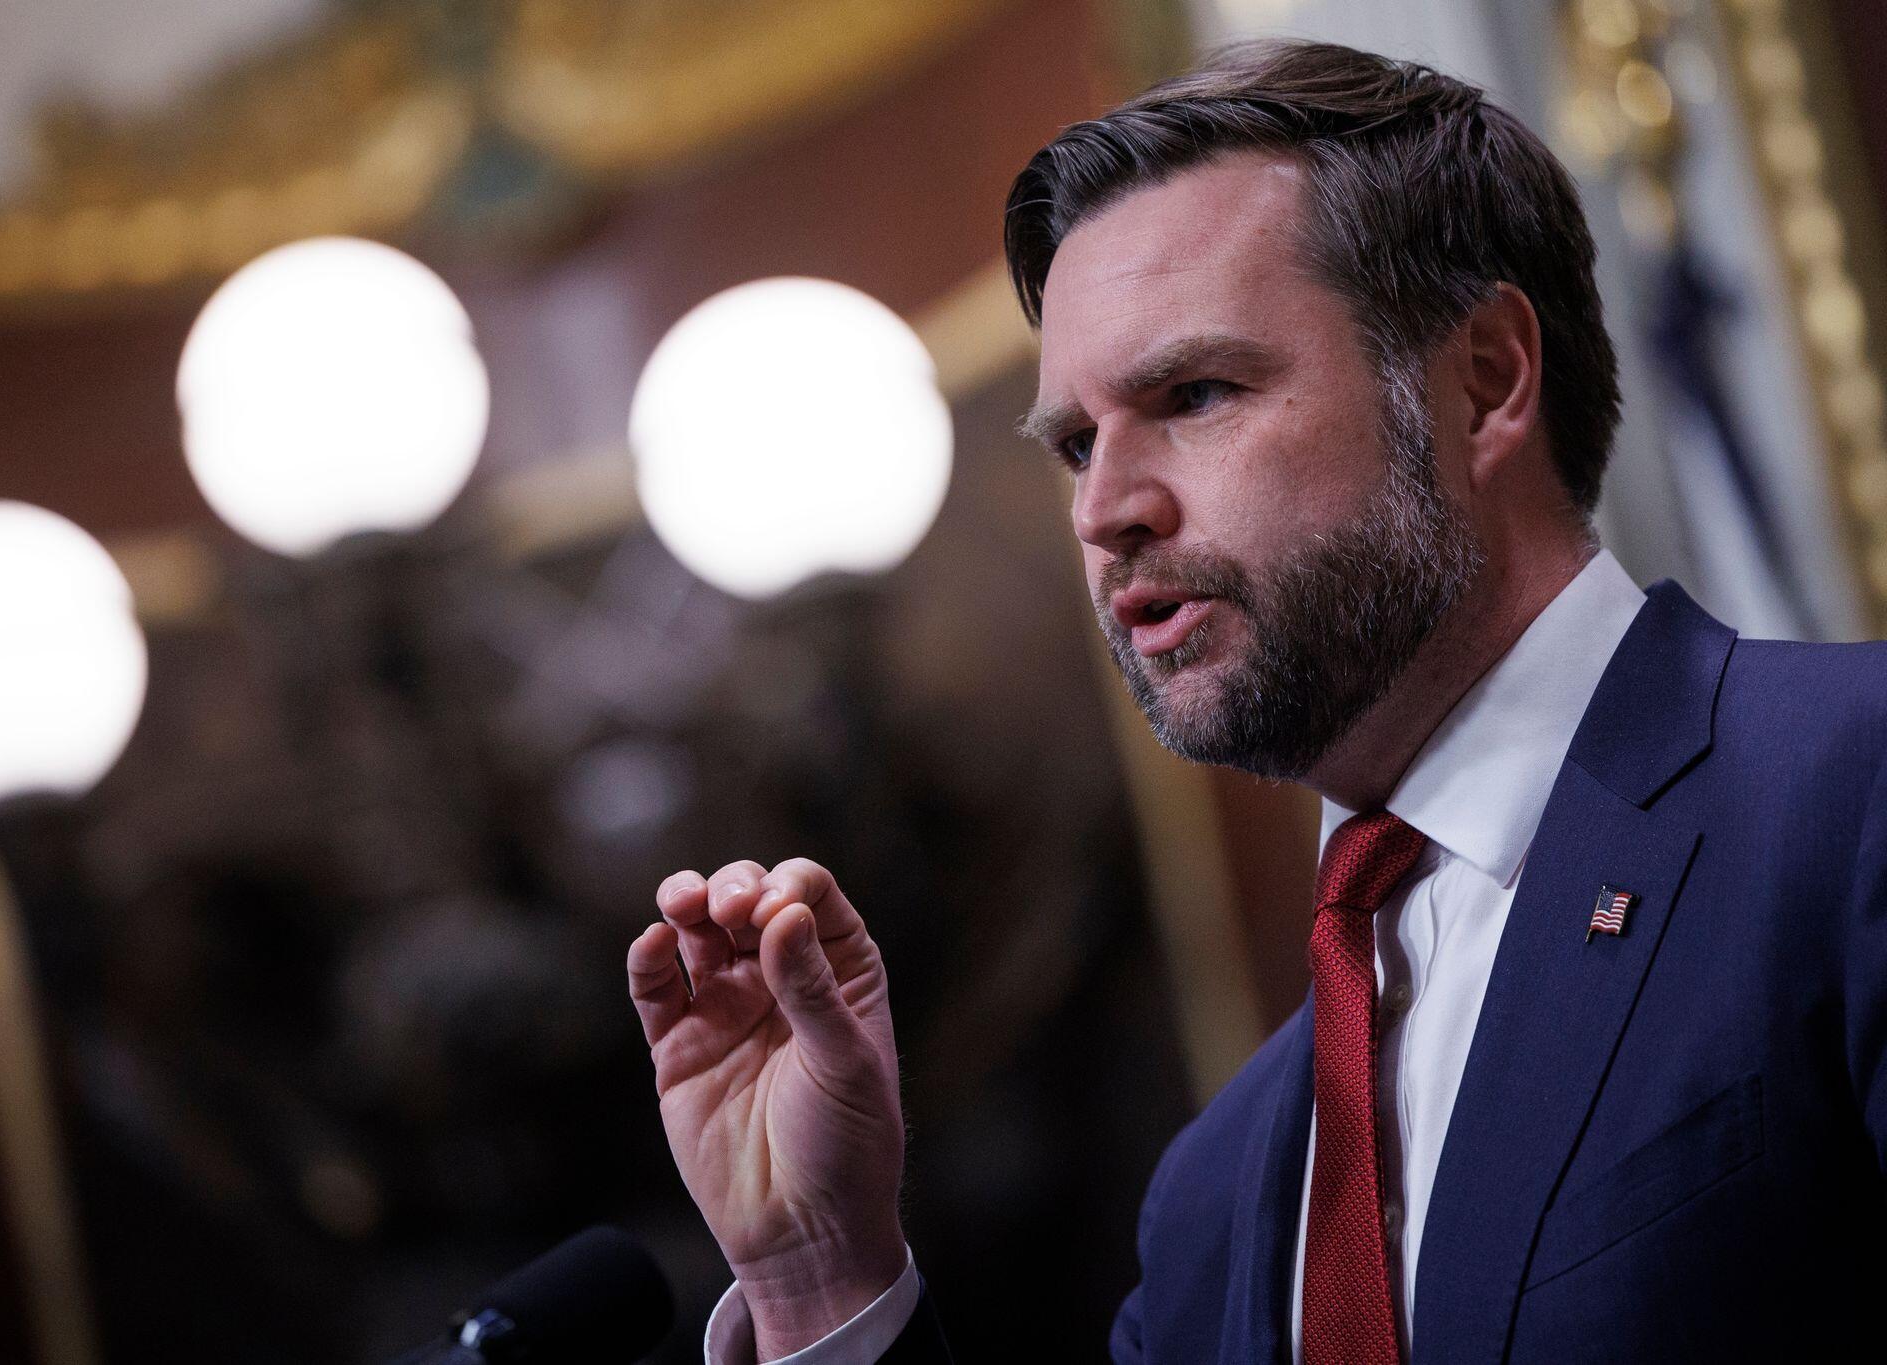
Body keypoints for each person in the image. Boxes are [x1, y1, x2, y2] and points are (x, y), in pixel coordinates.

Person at [625, 38, 1887, 1364]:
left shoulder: (1850, 795)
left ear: (1485, 379)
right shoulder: (1216, 1201)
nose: (1105, 511)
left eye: (1195, 395)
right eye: (1076, 445)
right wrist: (825, 1274)